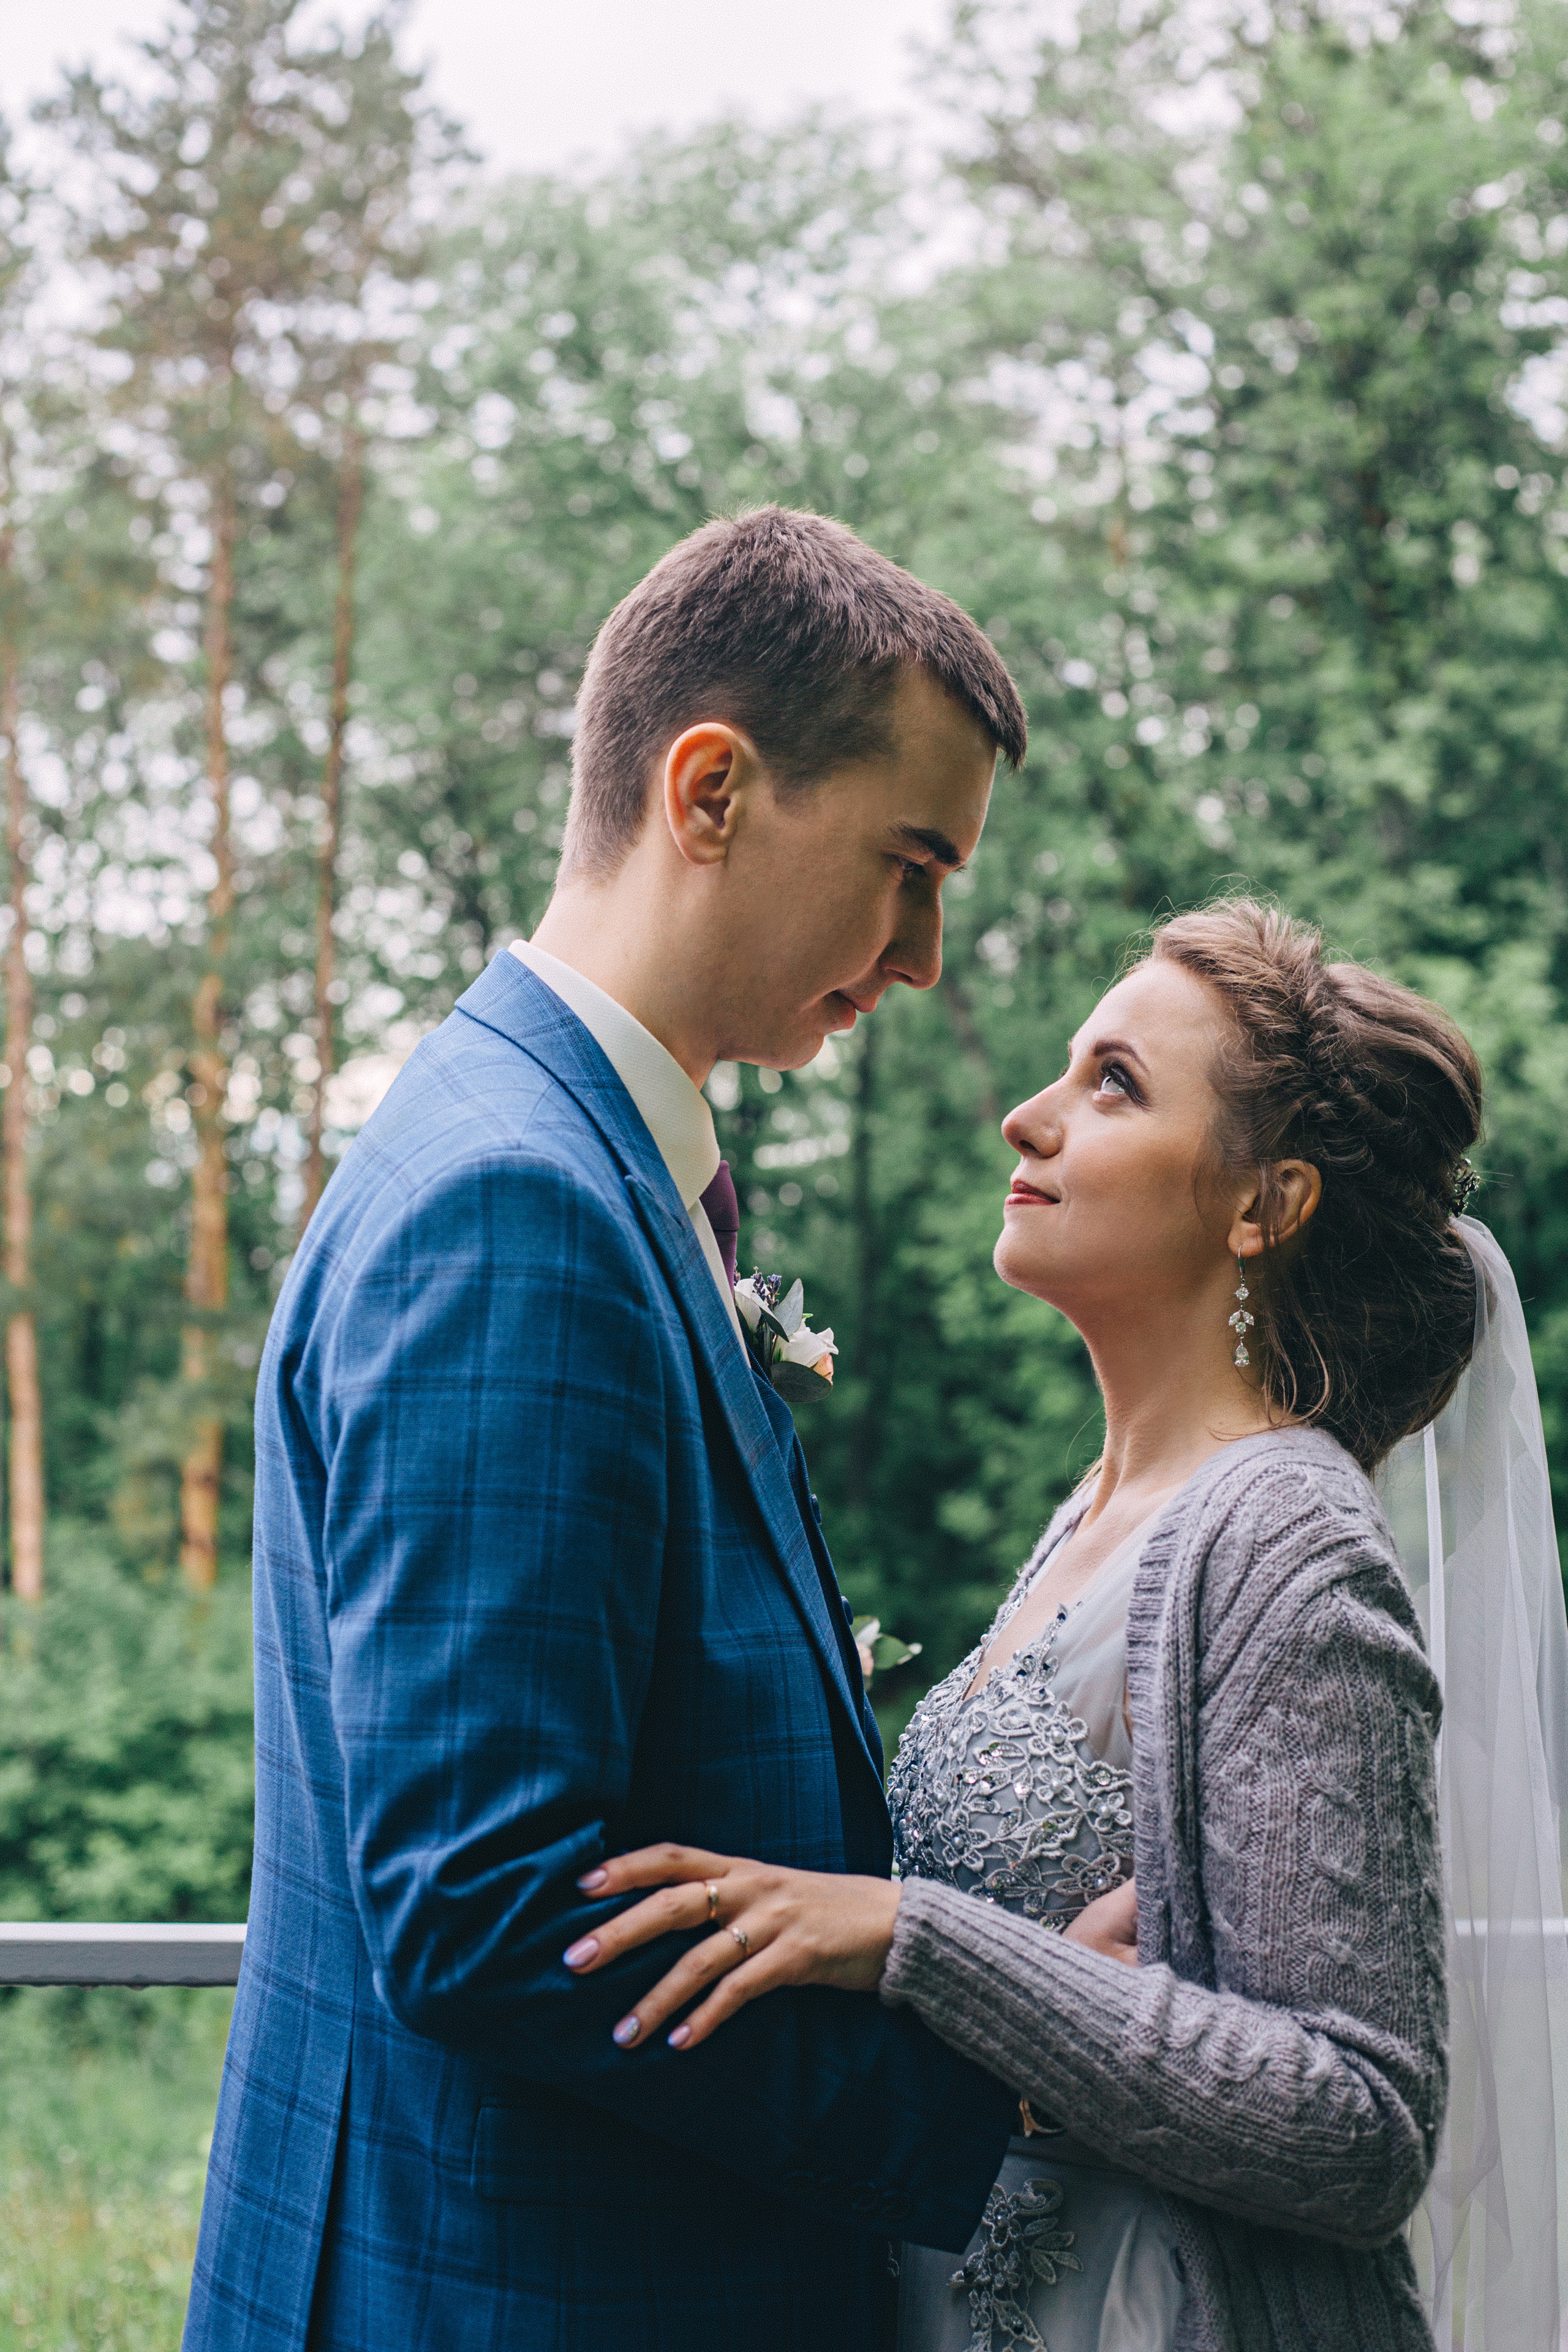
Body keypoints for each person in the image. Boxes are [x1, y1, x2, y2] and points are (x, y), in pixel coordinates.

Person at [181, 507, 1036, 2352]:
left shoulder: (555, 1153)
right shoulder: (519, 1202)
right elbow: (486, 1907)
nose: (926, 956)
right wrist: (1005, 2100)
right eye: (909, 864)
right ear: (710, 789)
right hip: (521, 2291)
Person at [570, 899, 1559, 2352]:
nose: (1027, 1120)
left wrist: (918, 1935)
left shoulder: (1281, 1533)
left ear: (1262, 1205)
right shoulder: (1090, 1511)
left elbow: (1357, 2121)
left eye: (1113, 1083)